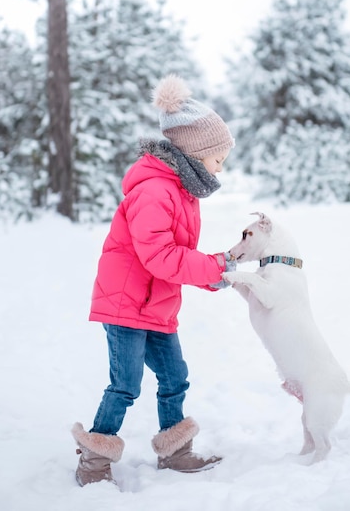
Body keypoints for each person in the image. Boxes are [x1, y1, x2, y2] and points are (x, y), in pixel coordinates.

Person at [72, 74, 236, 487]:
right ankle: (94, 459)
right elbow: (160, 257)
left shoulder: (181, 191)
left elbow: (174, 256)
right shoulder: (155, 191)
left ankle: (175, 452)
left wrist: (209, 276)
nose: (222, 166)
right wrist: (213, 266)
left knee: (175, 377)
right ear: (194, 154)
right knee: (125, 385)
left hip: (156, 304)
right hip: (126, 305)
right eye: (219, 157)